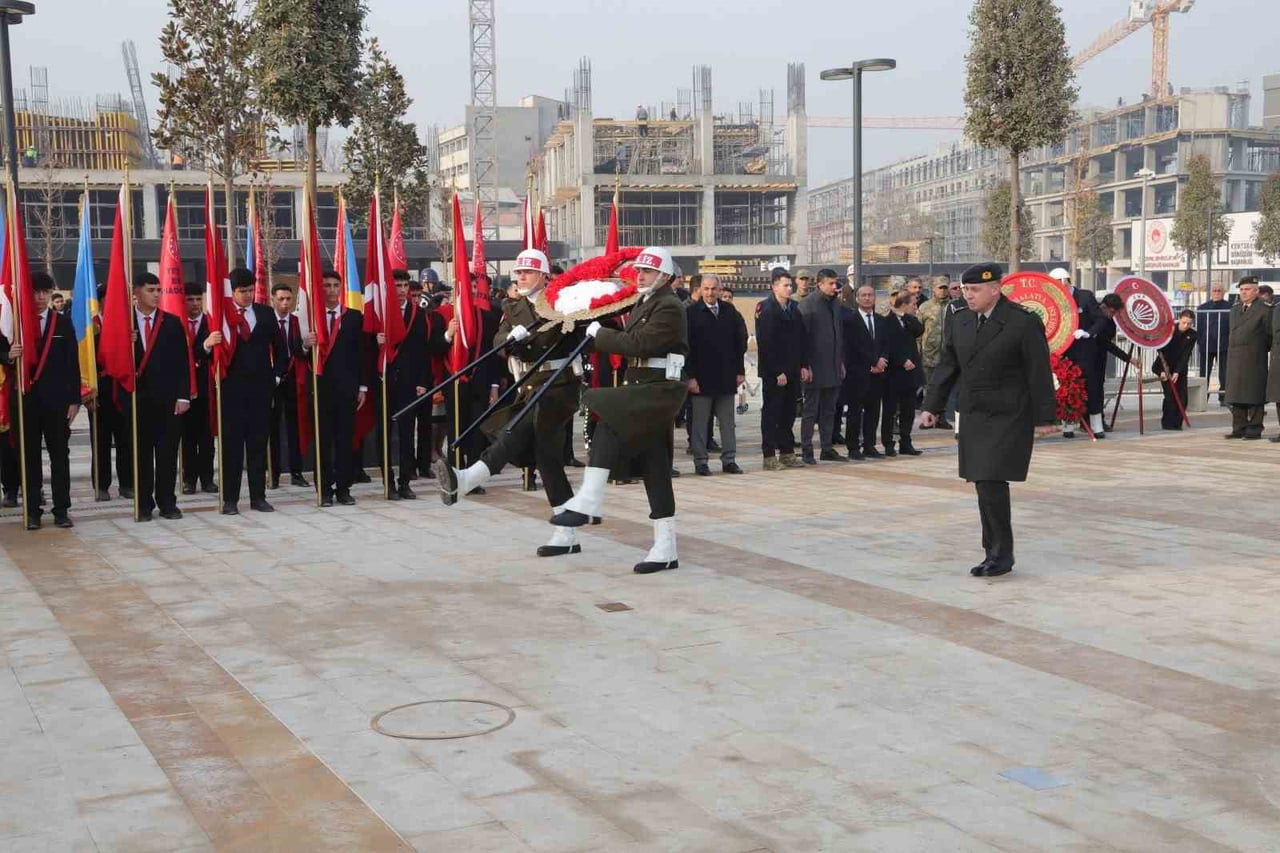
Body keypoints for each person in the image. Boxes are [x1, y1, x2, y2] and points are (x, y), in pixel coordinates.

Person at [438, 249, 590, 556]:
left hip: (559, 384)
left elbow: (578, 333)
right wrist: (510, 342)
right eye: (518, 273)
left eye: (528, 272)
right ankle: (567, 531)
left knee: (516, 430)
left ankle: (469, 477)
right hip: (530, 384)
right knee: (547, 457)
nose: (521, 277)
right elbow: (498, 341)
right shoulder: (512, 306)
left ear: (544, 276)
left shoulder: (562, 301)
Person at [551, 246, 689, 574]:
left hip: (658, 389)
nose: (640, 276)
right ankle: (665, 547)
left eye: (648, 271)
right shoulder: (646, 301)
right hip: (643, 386)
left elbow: (640, 344)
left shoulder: (669, 306)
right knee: (655, 467)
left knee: (607, 412)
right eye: (639, 270)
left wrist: (600, 334)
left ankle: (590, 499)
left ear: (665, 276)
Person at [921, 263, 1057, 578]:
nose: (967, 296)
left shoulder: (1022, 321)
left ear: (995, 289)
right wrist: (932, 405)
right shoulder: (960, 319)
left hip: (1008, 413)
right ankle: (993, 551)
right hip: (974, 413)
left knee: (991, 480)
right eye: (965, 290)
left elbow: (1038, 371)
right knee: (983, 482)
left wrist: (1045, 417)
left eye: (975, 290)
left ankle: (1000, 554)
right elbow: (948, 365)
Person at [203, 268, 287, 514]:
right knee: (231, 448)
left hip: (261, 390)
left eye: (251, 290)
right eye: (242, 291)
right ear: (232, 292)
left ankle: (258, 497)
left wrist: (275, 377)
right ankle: (230, 500)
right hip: (230, 391)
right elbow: (199, 353)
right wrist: (208, 344)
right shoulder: (219, 315)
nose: (248, 295)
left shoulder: (265, 313)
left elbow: (281, 351)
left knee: (258, 446)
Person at [3, 272, 80, 529]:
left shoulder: (63, 323)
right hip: (24, 399)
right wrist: (8, 355)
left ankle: (61, 510)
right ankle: (33, 510)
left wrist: (74, 399)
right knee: (28, 457)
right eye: (35, 292)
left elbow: (72, 362)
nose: (39, 297)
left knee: (60, 456)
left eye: (45, 292)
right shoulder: (14, 322)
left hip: (57, 401)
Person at [301, 270, 370, 506]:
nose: (331, 290)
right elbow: (297, 354)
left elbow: (361, 354)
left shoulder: (353, 317)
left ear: (341, 288)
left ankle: (343, 488)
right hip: (319, 389)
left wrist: (362, 387)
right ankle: (324, 489)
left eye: (335, 285)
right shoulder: (312, 318)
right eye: (326, 285)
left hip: (346, 389)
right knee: (322, 441)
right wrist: (305, 345)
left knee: (344, 441)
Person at [130, 272, 191, 521]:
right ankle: (143, 504)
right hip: (137, 399)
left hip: (168, 400)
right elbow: (110, 358)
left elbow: (182, 362)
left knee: (167, 454)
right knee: (141, 454)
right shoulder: (124, 322)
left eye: (158, 290)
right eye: (150, 290)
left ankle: (167, 502)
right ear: (136, 292)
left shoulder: (171, 322)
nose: (156, 295)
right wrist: (126, 343)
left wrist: (183, 396)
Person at [383, 269, 447, 499]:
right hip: (384, 380)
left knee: (407, 433)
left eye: (404, 286)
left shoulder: (418, 315)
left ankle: (404, 481)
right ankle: (388, 480)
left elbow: (422, 352)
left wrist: (422, 381)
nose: (401, 291)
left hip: (409, 383)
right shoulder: (380, 311)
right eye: (397, 286)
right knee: (384, 434)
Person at [685, 273, 746, 476]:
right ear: (700, 290)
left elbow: (739, 343)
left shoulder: (729, 311)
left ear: (720, 290)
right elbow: (686, 348)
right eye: (706, 288)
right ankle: (700, 461)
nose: (710, 292)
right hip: (701, 379)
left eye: (714, 289)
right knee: (700, 423)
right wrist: (690, 377)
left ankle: (729, 460)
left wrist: (740, 371)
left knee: (727, 423)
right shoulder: (691, 313)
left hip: (726, 377)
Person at [755, 269, 809, 470]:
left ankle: (787, 453)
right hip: (774, 372)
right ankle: (769, 455)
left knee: (789, 413)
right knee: (772, 413)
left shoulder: (794, 307)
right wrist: (777, 371)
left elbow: (801, 338)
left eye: (789, 285)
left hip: (793, 369)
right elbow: (766, 343)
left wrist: (804, 365)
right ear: (774, 287)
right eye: (785, 285)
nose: (789, 288)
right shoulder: (766, 308)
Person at [88, 282, 132, 503]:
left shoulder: (127, 323)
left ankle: (127, 484)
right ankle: (101, 485)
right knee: (100, 442)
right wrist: (87, 394)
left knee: (126, 440)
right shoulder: (90, 326)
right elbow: (82, 362)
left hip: (123, 390)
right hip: (99, 393)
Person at [1051, 267, 1105, 438]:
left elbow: (1100, 319)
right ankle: (1068, 424)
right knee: (1066, 388)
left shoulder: (1085, 296)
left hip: (1085, 351)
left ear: (1066, 281)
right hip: (1065, 352)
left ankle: (1096, 425)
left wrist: (1088, 333)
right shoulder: (1054, 300)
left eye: (1059, 282)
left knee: (1092, 387)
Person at [798, 268, 845, 464]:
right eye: (831, 283)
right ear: (820, 284)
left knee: (829, 410)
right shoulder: (808, 305)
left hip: (833, 365)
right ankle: (807, 450)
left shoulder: (835, 303)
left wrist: (840, 362)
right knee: (810, 412)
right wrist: (805, 365)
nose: (835, 287)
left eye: (836, 283)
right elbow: (801, 338)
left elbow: (838, 335)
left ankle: (827, 448)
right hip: (814, 368)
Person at [268, 283, 309, 489]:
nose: (285, 303)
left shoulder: (296, 322)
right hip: (272, 382)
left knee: (295, 427)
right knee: (272, 429)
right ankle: (274, 473)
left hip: (294, 380)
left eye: (288, 299)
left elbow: (300, 352)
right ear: (273, 299)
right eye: (281, 299)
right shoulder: (266, 321)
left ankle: (296, 472)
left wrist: (305, 346)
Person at [843, 284, 890, 459]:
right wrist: (872, 362)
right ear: (857, 298)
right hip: (858, 373)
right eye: (863, 295)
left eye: (870, 295)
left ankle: (869, 445)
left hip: (878, 374)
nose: (867, 298)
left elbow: (885, 343)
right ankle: (853, 447)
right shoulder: (850, 320)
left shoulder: (881, 320)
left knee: (873, 411)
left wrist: (882, 360)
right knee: (855, 412)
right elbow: (854, 347)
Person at [180, 283, 216, 495]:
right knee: (187, 438)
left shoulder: (211, 323)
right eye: (190, 299)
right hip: (184, 389)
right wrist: (204, 347)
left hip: (207, 388)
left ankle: (208, 479)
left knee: (207, 437)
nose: (195, 304)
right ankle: (189, 479)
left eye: (198, 299)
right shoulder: (177, 323)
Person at [1224, 276, 1270, 440]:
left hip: (1254, 358)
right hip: (1235, 358)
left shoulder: (1264, 309)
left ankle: (1254, 429)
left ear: (1256, 291)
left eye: (1247, 289)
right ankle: (1239, 428)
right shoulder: (1235, 309)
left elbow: (1269, 335)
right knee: (1236, 394)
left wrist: (1258, 349)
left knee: (1254, 394)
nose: (1243, 292)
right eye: (1242, 290)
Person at [880, 291, 924, 456]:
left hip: (910, 374)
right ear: (904, 304)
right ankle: (888, 443)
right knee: (890, 410)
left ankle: (906, 442)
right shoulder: (886, 321)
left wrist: (906, 316)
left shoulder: (910, 320)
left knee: (908, 410)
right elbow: (887, 346)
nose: (915, 307)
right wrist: (901, 361)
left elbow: (919, 330)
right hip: (893, 373)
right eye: (913, 304)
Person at [1155, 310, 1197, 431]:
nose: (1186, 326)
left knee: (1183, 397)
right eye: (1184, 323)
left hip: (1180, 367)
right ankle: (1167, 423)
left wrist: (1178, 371)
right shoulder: (1169, 330)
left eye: (1189, 323)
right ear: (1179, 319)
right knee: (1170, 396)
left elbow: (1186, 355)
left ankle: (1177, 423)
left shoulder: (1192, 335)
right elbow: (1161, 350)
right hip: (1165, 365)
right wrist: (1163, 370)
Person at [917, 279, 951, 409]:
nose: (942, 291)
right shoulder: (925, 307)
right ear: (933, 289)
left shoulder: (953, 306)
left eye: (945, 288)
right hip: (929, 356)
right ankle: (928, 412)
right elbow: (918, 332)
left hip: (948, 355)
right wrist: (918, 353)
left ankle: (943, 414)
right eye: (940, 288)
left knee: (946, 387)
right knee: (929, 387)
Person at [1196, 283, 1231, 404]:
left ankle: (1224, 398)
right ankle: (1202, 398)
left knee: (1224, 373)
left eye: (1219, 291)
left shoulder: (1230, 307)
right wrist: (1200, 342)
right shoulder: (1202, 308)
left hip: (1224, 346)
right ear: (1211, 292)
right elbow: (1199, 327)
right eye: (1214, 291)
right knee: (1204, 374)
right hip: (1206, 345)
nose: (1216, 293)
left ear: (1223, 292)